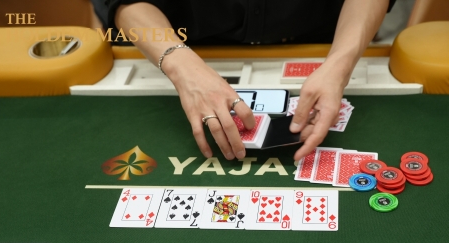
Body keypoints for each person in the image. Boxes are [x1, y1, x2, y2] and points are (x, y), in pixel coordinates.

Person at [95, 0, 396, 161]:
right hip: (180, 46)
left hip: (325, 44)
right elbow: (124, 3)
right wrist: (180, 64)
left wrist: (340, 64)